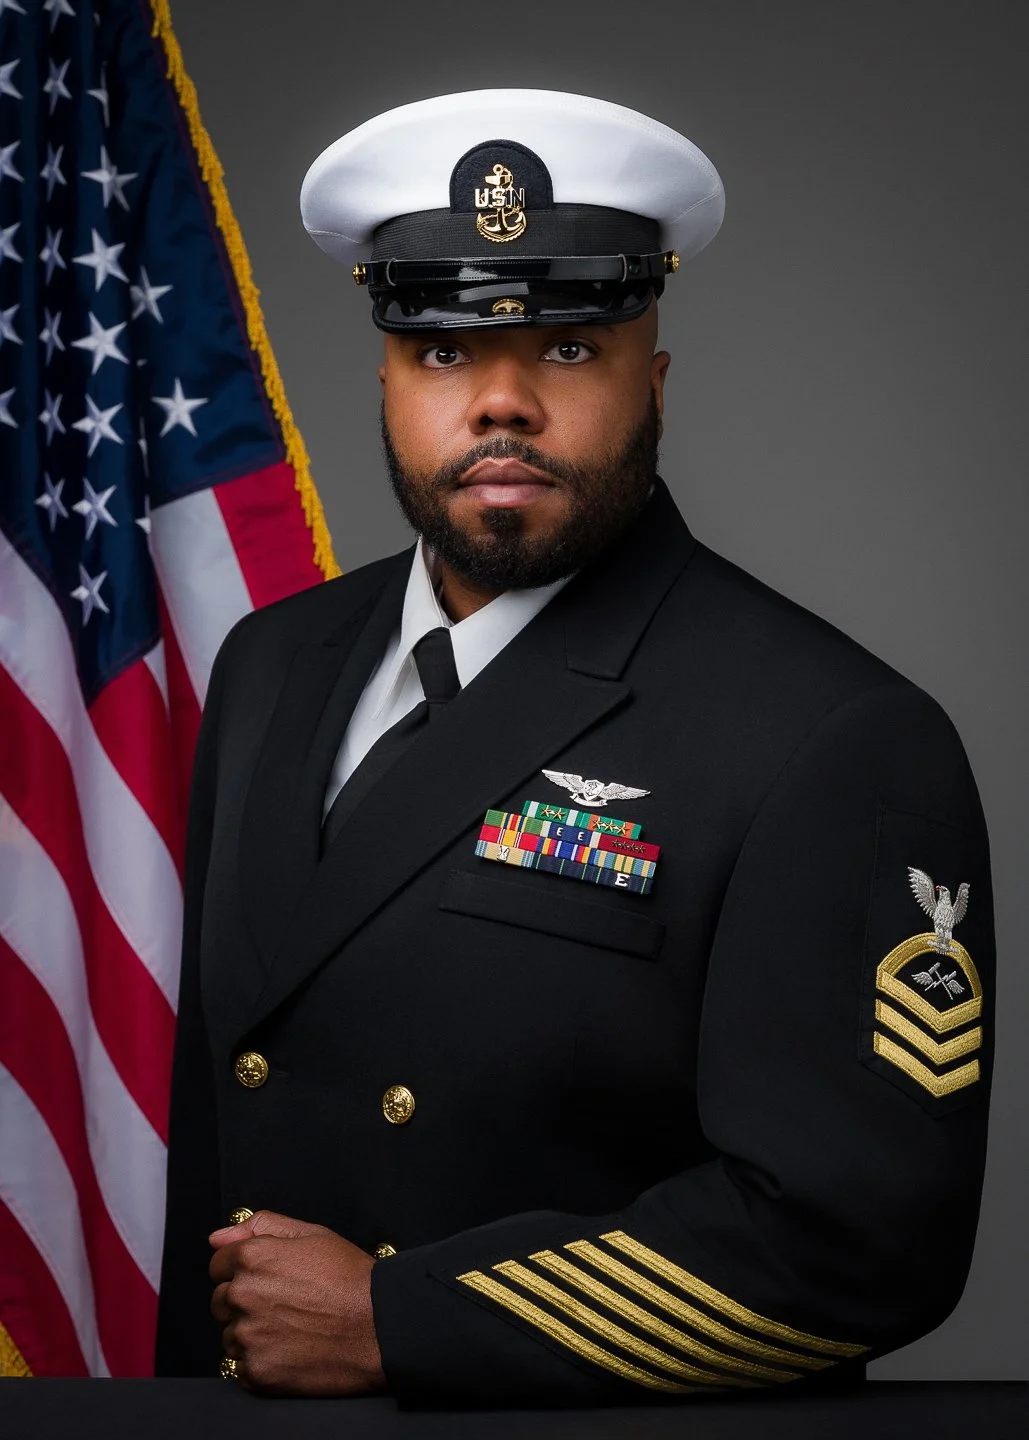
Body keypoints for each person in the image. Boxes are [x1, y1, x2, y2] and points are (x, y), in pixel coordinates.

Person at [155, 89, 994, 1404]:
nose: (501, 403)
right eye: (442, 355)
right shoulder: (272, 662)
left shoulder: (834, 737)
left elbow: (860, 1241)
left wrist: (399, 1317)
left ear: (652, 380)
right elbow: (220, 1148)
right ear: (382, 378)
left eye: (567, 350)